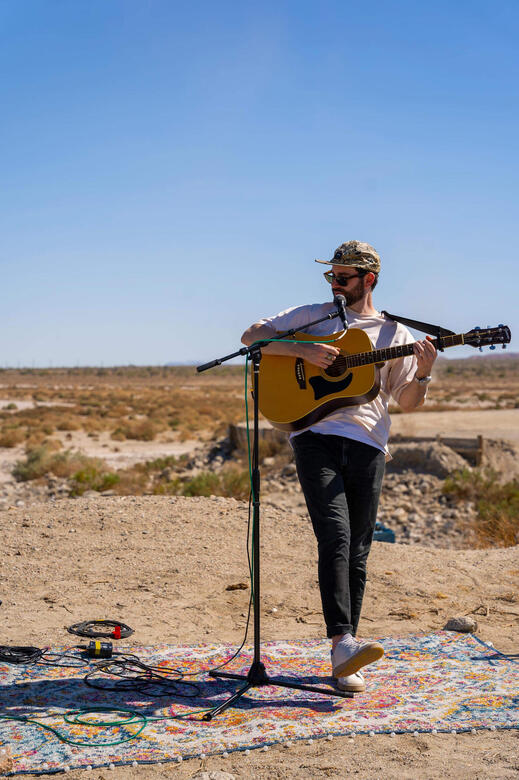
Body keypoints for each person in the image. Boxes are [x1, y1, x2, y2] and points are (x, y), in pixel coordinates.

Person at [241, 240, 437, 693]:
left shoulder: (396, 336)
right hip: (314, 436)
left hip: (369, 442)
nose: (334, 284)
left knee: (359, 548)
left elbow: (407, 401)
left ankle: (342, 657)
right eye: (330, 276)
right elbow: (251, 336)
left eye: (343, 277)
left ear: (369, 280)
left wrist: (423, 373)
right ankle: (344, 640)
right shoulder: (314, 317)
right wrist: (301, 352)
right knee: (336, 534)